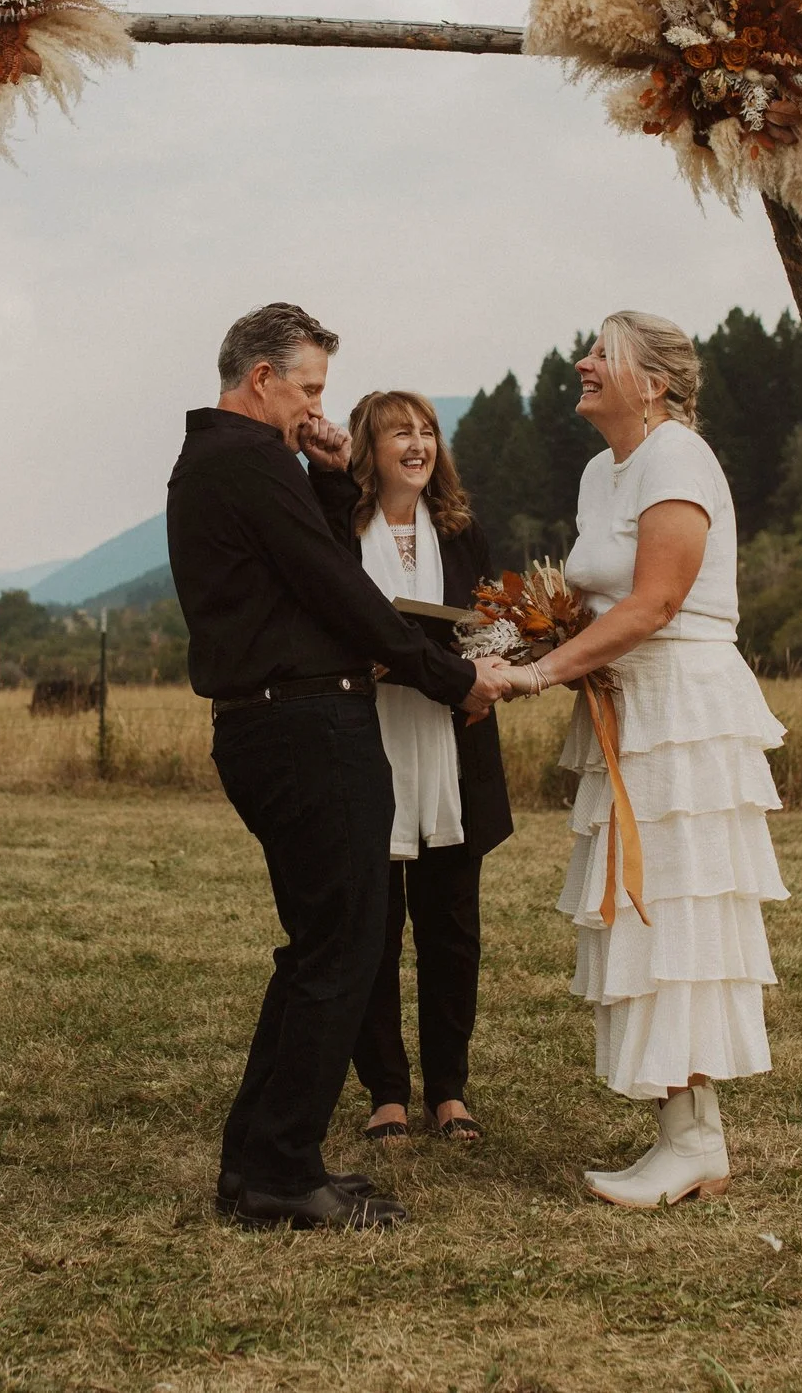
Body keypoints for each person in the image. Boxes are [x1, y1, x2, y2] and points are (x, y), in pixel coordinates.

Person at [167, 303, 515, 1232]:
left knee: (318, 945)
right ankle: (284, 1170)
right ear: (260, 382)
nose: (318, 408)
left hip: (278, 726)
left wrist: (325, 475)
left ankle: (254, 1160)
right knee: (346, 946)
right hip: (306, 727)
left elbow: (310, 564)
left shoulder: (235, 466)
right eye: (310, 389)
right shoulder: (244, 462)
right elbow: (342, 591)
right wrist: (450, 677)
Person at [495, 310, 787, 1207]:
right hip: (627, 705)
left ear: (653, 383)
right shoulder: (600, 471)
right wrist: (507, 636)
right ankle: (684, 1131)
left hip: (682, 709)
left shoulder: (678, 460)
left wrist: (539, 673)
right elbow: (593, 596)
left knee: (676, 912)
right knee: (642, 910)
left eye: (603, 355)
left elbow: (658, 602)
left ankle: (694, 1140)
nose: (581, 362)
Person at [308, 391, 512, 1148]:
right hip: (366, 739)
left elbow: (492, 624)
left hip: (452, 741)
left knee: (452, 928)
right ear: (370, 446)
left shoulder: (462, 533)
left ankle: (449, 1090)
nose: (419, 444)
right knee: (374, 928)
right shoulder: (337, 528)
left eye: (428, 431)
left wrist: (490, 670)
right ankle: (386, 1092)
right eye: (402, 432)